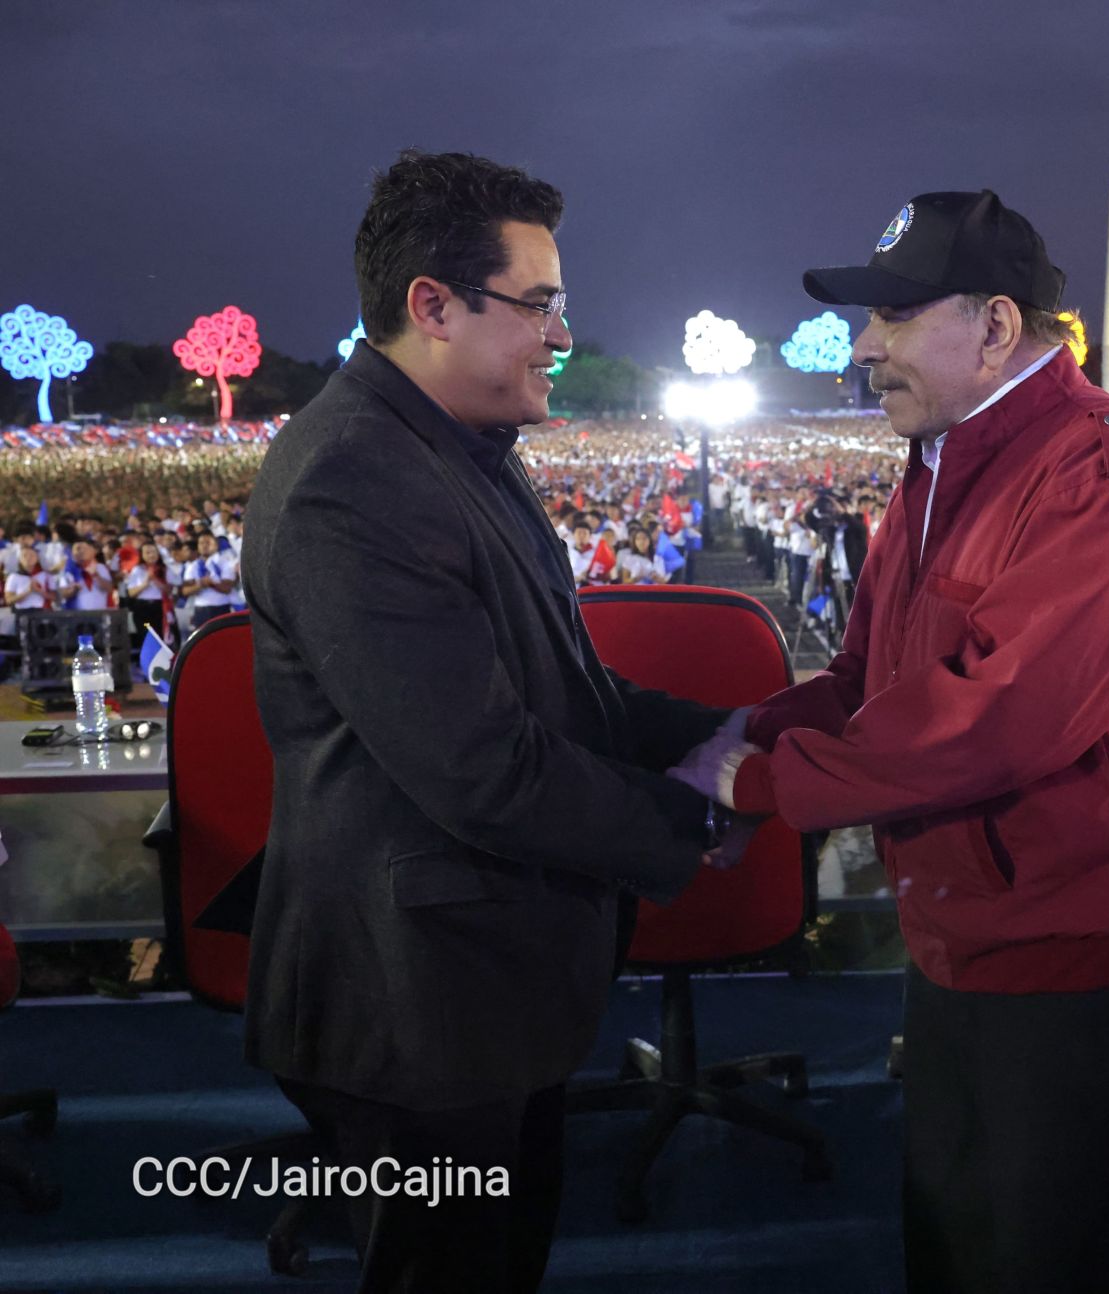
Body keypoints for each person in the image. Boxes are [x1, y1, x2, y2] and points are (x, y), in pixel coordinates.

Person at [669, 190, 1109, 1292]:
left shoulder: (1103, 465)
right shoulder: (933, 466)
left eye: (895, 314)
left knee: (1054, 1258)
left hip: (1064, 959)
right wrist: (745, 735)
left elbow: (1003, 713)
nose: (865, 346)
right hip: (956, 941)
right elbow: (867, 682)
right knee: (960, 1247)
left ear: (996, 327)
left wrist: (766, 785)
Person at [241, 149, 742, 1294]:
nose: (562, 335)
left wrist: (744, 727)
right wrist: (700, 819)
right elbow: (483, 767)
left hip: (479, 987)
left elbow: (571, 697)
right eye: (539, 304)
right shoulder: (353, 478)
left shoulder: (459, 450)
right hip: (411, 1008)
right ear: (432, 305)